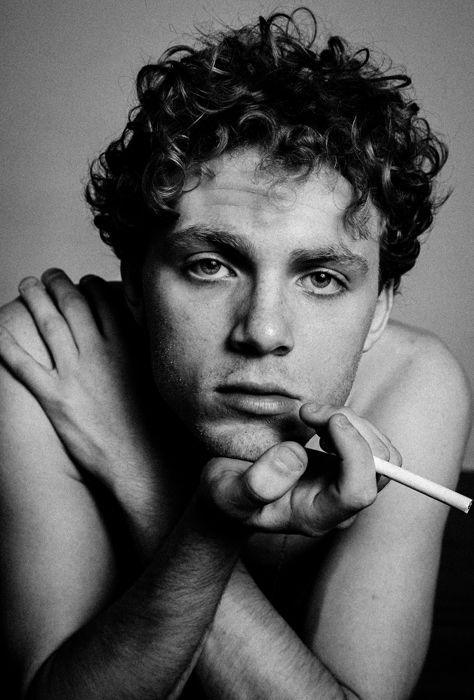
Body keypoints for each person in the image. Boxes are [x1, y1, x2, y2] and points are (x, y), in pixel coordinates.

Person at [0, 9, 471, 699]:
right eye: (212, 265)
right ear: (134, 281)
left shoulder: (415, 385)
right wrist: (203, 531)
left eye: (322, 278)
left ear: (378, 310)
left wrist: (139, 473)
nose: (263, 330)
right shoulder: (52, 355)